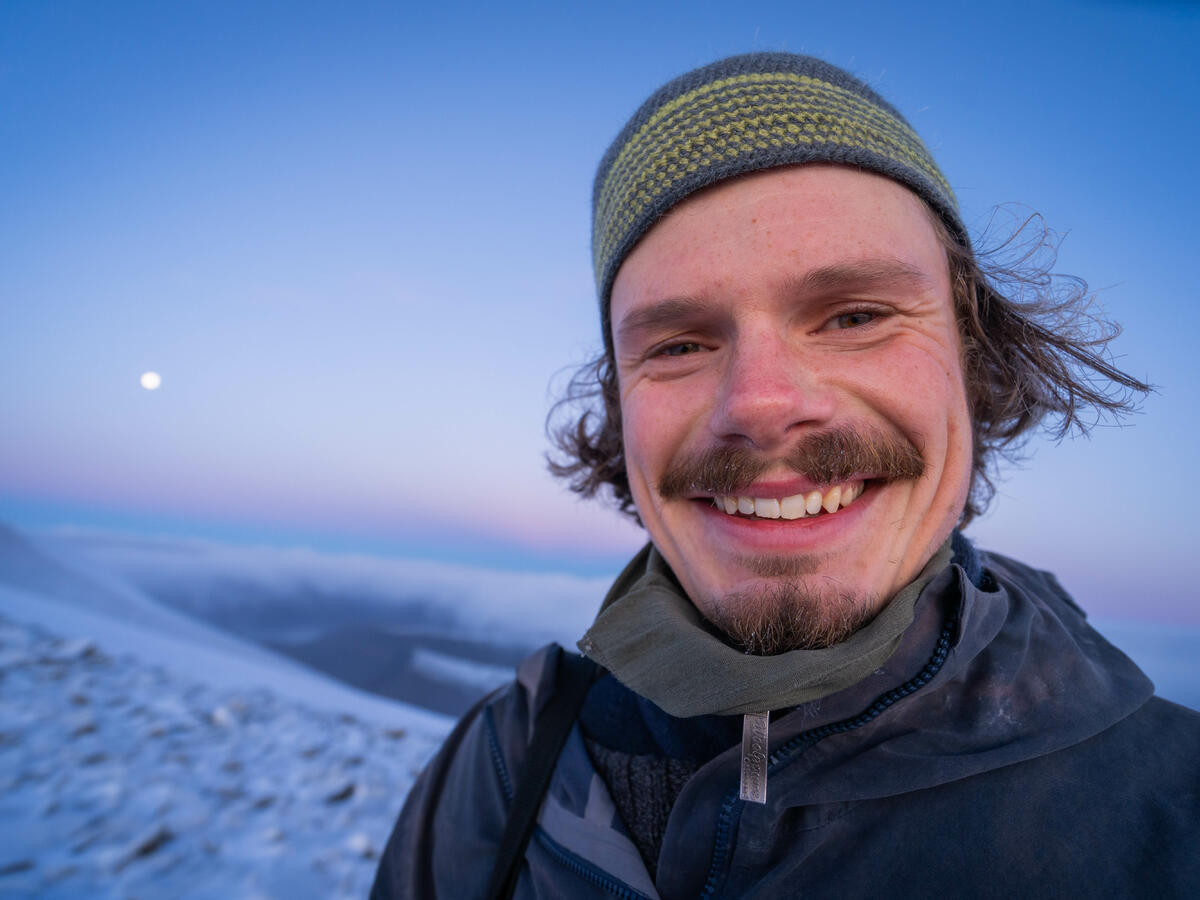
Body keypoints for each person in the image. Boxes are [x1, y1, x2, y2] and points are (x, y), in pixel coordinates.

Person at [372, 53, 1200, 899]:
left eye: (855, 316)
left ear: (974, 356)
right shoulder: (506, 763)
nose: (761, 404)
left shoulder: (1171, 814)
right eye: (679, 344)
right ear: (621, 408)